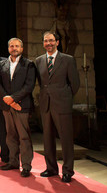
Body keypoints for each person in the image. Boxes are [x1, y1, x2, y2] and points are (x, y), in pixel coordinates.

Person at [35, 31, 80, 183]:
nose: (48, 43)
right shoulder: (39, 60)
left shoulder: (68, 60)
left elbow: (75, 84)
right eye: (46, 41)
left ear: (57, 42)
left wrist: (64, 97)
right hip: (46, 104)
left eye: (51, 41)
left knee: (66, 139)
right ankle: (51, 168)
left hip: (62, 104)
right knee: (47, 139)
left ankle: (67, 170)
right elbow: (42, 83)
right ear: (43, 43)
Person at [0, 38, 36, 177]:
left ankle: (26, 166)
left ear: (22, 48)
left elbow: (29, 86)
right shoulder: (2, 64)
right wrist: (9, 100)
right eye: (11, 46)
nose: (14, 48)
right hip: (7, 106)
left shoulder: (29, 64)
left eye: (17, 46)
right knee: (10, 136)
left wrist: (14, 99)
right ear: (8, 48)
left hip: (21, 106)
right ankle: (13, 162)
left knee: (24, 137)